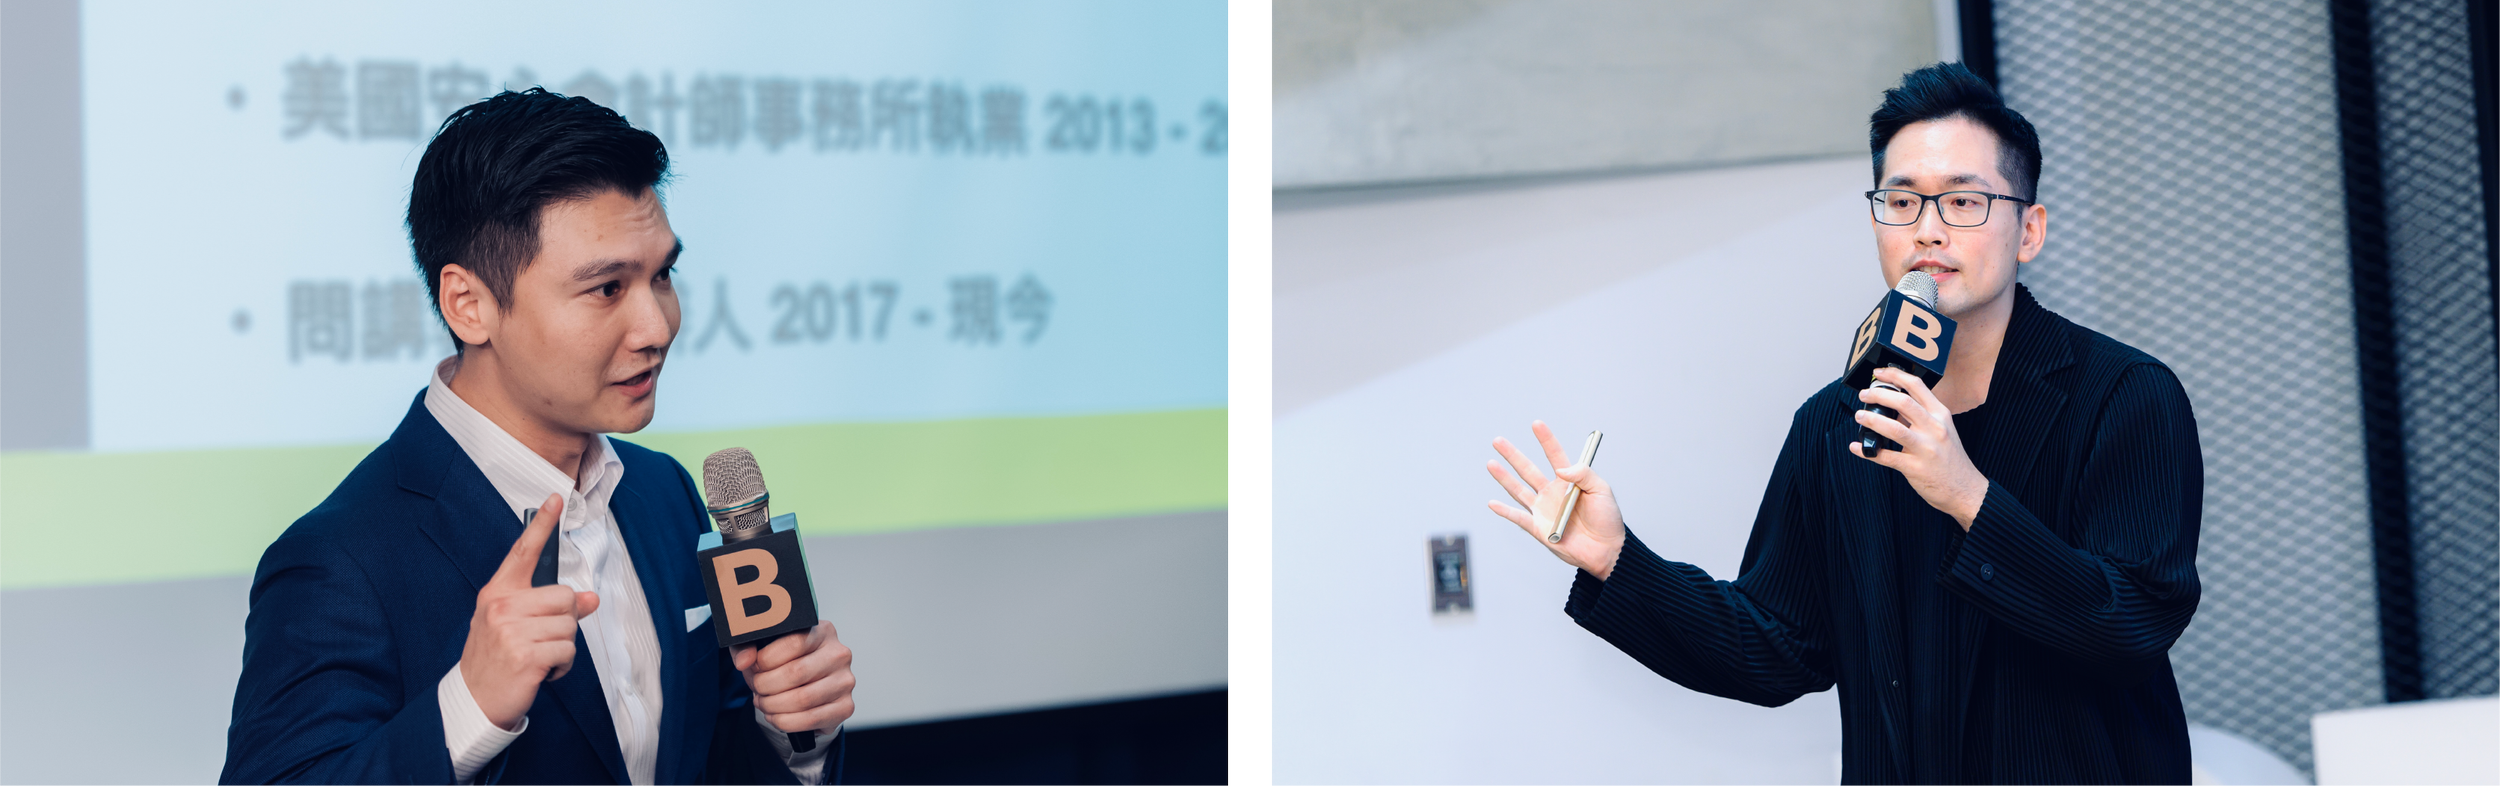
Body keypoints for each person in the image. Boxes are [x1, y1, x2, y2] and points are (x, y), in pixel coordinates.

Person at [1486, 63, 2202, 785]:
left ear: (2029, 230)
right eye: (1902, 201)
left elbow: (2132, 626)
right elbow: (1777, 644)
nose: (1927, 230)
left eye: (1963, 201)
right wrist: (1616, 559)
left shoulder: (2124, 396)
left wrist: (1965, 494)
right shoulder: (1834, 423)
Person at [221, 89, 855, 786]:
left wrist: (794, 733)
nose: (657, 327)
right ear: (469, 305)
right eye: (607, 289)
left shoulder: (662, 492)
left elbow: (708, 760)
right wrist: (468, 707)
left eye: (662, 275)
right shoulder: (340, 559)